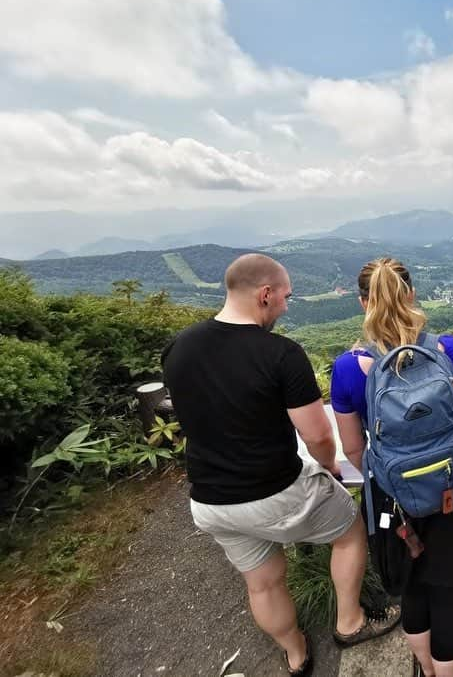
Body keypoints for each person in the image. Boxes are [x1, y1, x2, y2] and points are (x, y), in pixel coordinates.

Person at [161, 254, 400, 677]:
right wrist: (329, 469)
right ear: (265, 294)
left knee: (263, 581)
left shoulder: (179, 348)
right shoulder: (281, 355)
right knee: (349, 531)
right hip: (276, 490)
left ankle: (295, 654)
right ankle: (350, 622)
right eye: (286, 297)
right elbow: (318, 436)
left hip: (211, 501)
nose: (288, 306)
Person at [330, 257, 453, 677]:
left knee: (412, 589)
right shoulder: (449, 350)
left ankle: (426, 670)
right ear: (411, 294)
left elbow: (353, 448)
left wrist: (392, 479)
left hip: (393, 502)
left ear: (364, 303)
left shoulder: (347, 369)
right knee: (447, 592)